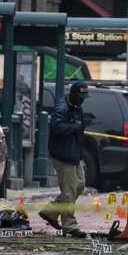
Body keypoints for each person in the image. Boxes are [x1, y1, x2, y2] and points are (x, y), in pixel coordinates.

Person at [39, 81, 89, 238]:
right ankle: (69, 225)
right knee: (69, 191)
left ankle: (50, 211)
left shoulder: (75, 106)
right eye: (80, 97)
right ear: (73, 95)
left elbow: (77, 128)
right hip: (62, 155)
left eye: (84, 97)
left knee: (79, 185)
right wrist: (76, 126)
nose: (82, 100)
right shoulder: (62, 108)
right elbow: (57, 127)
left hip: (74, 154)